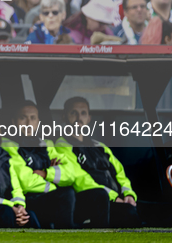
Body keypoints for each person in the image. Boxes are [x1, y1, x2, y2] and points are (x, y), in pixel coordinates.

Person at [55, 97, 141, 228]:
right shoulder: (61, 146)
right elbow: (80, 179)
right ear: (64, 117)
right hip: (92, 201)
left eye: (83, 113)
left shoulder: (100, 146)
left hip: (118, 199)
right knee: (127, 212)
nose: (79, 117)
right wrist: (114, 197)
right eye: (74, 113)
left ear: (89, 118)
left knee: (171, 211)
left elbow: (120, 173)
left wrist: (128, 194)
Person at [1, 101, 76, 228]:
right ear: (14, 121)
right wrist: (54, 182)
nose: (29, 123)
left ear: (38, 121)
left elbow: (71, 173)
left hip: (47, 197)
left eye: (33, 118)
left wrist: (46, 173)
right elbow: (26, 182)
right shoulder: (7, 145)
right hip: (25, 201)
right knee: (66, 194)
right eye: (23, 118)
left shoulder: (45, 144)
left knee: (73, 193)